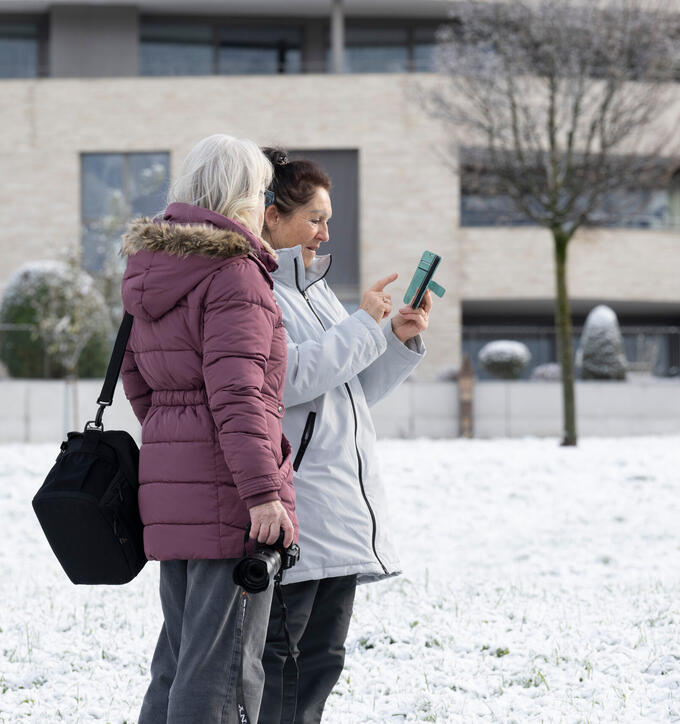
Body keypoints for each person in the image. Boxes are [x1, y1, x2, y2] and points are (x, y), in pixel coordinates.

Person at [119, 134, 298, 724]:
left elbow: (136, 378)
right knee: (219, 672)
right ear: (243, 194)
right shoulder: (233, 275)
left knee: (177, 660)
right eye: (262, 190)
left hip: (173, 491)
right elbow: (240, 395)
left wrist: (179, 449)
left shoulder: (152, 270)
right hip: (230, 497)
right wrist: (263, 493)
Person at [258, 147, 431, 724]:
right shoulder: (260, 295)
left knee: (322, 662)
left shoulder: (317, 291)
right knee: (282, 664)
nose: (325, 233)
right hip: (298, 506)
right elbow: (290, 380)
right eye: (314, 219)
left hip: (340, 511)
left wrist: (396, 338)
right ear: (270, 216)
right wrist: (363, 325)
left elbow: (346, 394)